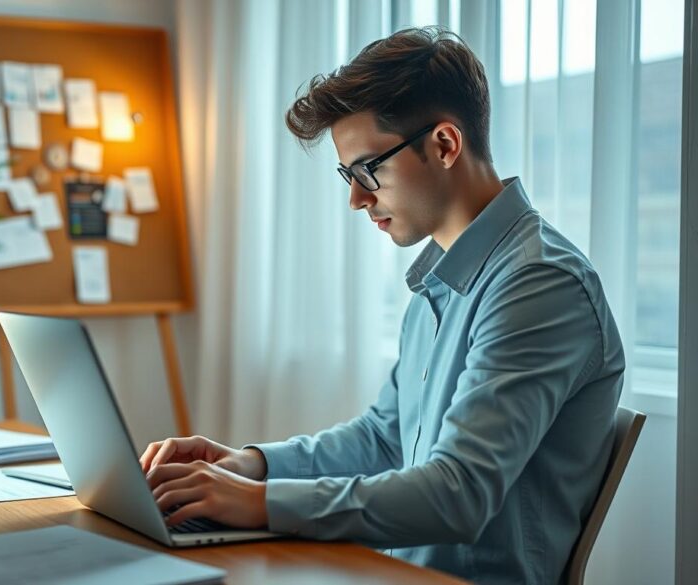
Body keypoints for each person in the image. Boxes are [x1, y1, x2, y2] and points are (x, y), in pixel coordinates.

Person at [140, 26, 624, 584]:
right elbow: (385, 437)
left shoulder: (540, 284)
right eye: (349, 175)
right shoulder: (442, 278)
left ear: (445, 144)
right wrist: (251, 465)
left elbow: (458, 494)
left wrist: (257, 502)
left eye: (369, 169)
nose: (356, 198)